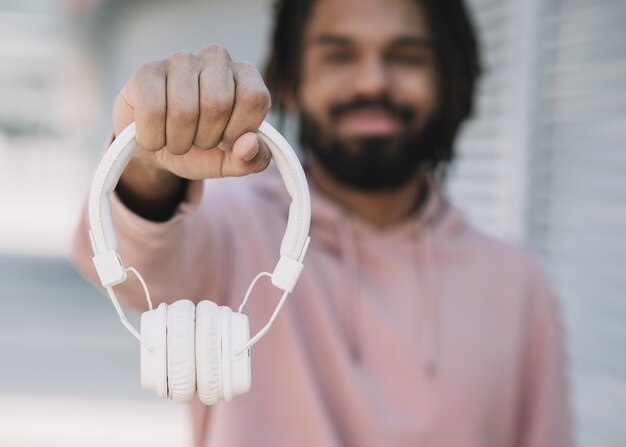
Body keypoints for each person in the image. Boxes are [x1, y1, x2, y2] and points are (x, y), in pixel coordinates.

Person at [72, 0, 572, 445]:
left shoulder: (518, 284)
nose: (373, 80)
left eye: (407, 56)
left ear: (450, 80)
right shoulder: (233, 225)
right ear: (291, 79)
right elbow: (134, 256)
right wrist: (147, 166)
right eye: (338, 55)